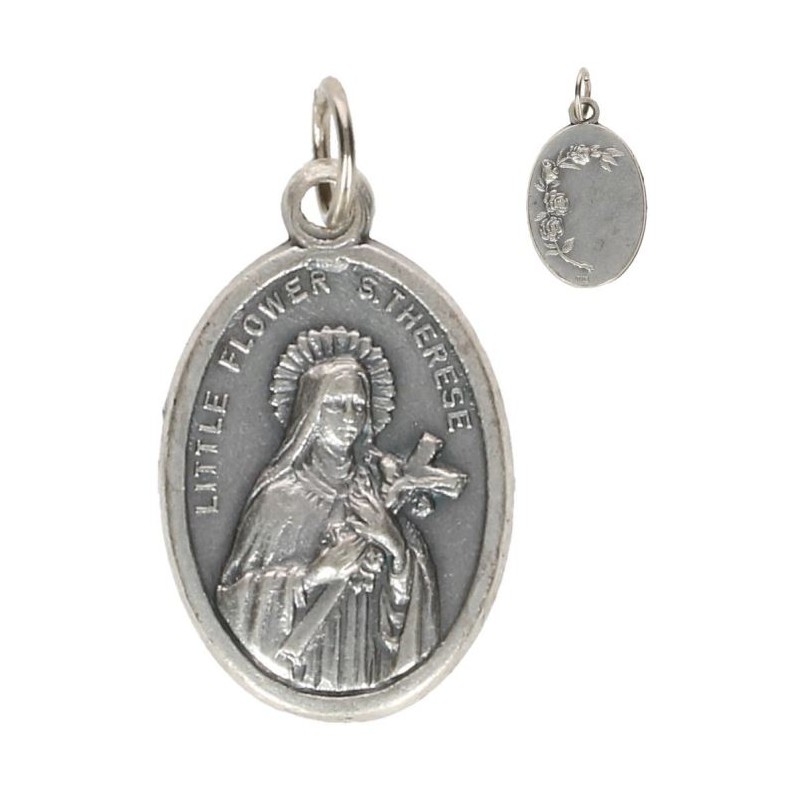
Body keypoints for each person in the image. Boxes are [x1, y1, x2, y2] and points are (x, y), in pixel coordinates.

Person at [216, 330, 439, 692]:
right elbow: (233, 601)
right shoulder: (280, 499)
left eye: (359, 406)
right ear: (312, 413)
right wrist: (313, 575)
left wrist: (395, 546)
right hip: (303, 665)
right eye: (337, 404)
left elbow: (410, 607)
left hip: (367, 663)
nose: (350, 417)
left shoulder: (377, 494)